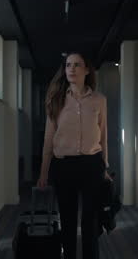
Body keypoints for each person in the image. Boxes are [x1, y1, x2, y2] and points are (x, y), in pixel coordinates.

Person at [37, 52, 112, 259]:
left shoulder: (99, 100)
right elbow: (48, 140)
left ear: (87, 70)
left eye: (77, 65)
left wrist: (104, 166)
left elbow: (103, 135)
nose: (71, 69)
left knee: (91, 221)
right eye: (68, 65)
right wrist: (43, 173)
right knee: (67, 220)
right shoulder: (56, 100)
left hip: (91, 165)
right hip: (64, 166)